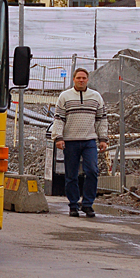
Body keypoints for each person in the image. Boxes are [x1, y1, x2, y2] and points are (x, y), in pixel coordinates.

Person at [51, 68, 108, 217]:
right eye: (78, 78)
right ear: (74, 79)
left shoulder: (96, 97)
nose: (81, 80)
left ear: (87, 80)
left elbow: (101, 119)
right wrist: (58, 137)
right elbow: (59, 118)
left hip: (89, 140)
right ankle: (73, 204)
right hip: (70, 141)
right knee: (71, 174)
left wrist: (103, 139)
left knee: (92, 171)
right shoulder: (65, 96)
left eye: (84, 78)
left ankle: (88, 204)